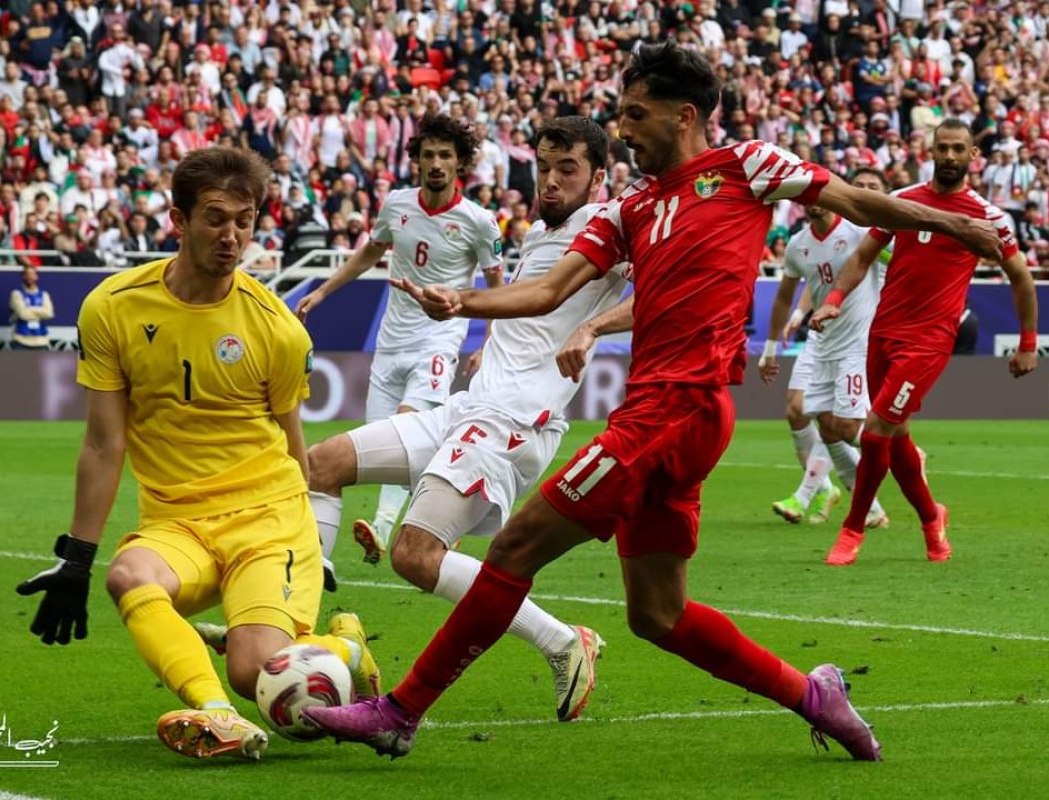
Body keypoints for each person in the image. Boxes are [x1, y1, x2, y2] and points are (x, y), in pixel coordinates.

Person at [298, 42, 1003, 761]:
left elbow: (850, 199)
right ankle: (814, 694)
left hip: (679, 407)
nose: (624, 126)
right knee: (657, 615)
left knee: (514, 548)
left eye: (635, 114)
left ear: (684, 115)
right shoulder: (630, 210)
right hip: (662, 412)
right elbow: (546, 292)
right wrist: (462, 301)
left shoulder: (747, 166)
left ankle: (399, 712)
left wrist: (956, 226)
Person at [246, 117, 624, 723]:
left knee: (414, 554)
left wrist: (596, 325)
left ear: (599, 177)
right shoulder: (537, 231)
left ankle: (561, 640)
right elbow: (531, 307)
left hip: (514, 424)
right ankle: (300, 629)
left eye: (568, 170)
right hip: (471, 405)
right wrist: (492, 340)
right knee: (320, 464)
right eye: (543, 168)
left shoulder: (612, 226)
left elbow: (667, 291)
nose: (550, 182)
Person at [14, 147, 380, 762]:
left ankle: (342, 645)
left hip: (268, 522)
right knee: (127, 573)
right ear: (178, 222)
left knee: (262, 680)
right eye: (215, 218)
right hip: (177, 524)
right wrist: (76, 561)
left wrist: (312, 544)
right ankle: (216, 716)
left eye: (245, 220)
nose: (232, 235)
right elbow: (105, 444)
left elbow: (294, 448)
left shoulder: (279, 329)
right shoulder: (113, 307)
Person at [811, 119, 1038, 566]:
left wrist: (1028, 342)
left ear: (974, 156)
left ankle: (852, 530)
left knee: (876, 428)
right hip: (883, 333)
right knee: (895, 441)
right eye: (943, 148)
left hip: (930, 341)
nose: (950, 156)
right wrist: (835, 298)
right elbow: (862, 257)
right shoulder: (902, 202)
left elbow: (1022, 280)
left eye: (959, 149)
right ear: (930, 152)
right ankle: (933, 519)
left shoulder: (988, 217)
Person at [295, 114, 504, 588]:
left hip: (438, 338)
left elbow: (498, 288)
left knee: (403, 428)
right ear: (416, 160)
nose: (436, 163)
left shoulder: (478, 221)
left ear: (460, 163)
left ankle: (386, 526)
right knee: (369, 446)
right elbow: (368, 253)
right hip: (391, 343)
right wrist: (323, 292)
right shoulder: (397, 205)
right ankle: (319, 559)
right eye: (428, 154)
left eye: (445, 155)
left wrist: (488, 344)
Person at [760, 170, 890, 530]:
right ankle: (870, 509)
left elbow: (899, 263)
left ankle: (903, 454)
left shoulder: (861, 233)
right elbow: (800, 287)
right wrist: (773, 344)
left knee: (846, 425)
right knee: (821, 421)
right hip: (821, 339)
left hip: (858, 340)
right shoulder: (799, 244)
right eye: (802, 196)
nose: (807, 200)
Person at [9, 266, 55, 350]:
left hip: (41, 340)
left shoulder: (44, 294)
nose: (30, 277)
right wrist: (40, 311)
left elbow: (49, 313)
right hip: (21, 340)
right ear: (23, 276)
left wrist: (29, 309)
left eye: (32, 274)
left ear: (37, 276)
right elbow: (23, 314)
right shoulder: (16, 294)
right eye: (27, 274)